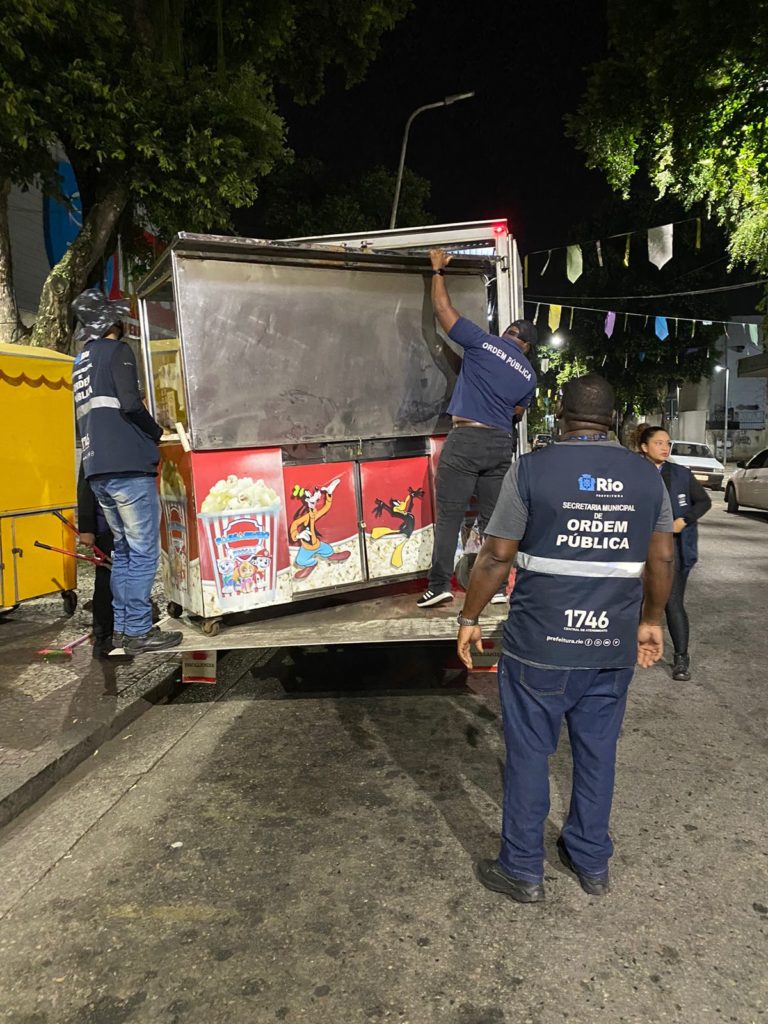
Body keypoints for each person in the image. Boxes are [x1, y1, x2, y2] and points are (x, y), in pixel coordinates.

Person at [455, 374, 674, 903]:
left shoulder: (530, 470)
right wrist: (652, 619)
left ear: (560, 413)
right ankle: (591, 860)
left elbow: (496, 554)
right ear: (615, 418)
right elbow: (662, 557)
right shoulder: (647, 477)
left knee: (530, 754)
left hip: (540, 648)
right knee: (597, 752)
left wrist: (469, 616)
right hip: (609, 646)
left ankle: (523, 870)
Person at [417, 248, 538, 608]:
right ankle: (498, 589)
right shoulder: (529, 375)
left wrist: (437, 272)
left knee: (450, 515)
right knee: (494, 521)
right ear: (527, 347)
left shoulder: (485, 342)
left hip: (467, 438)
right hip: (500, 444)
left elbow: (443, 312)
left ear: (507, 333)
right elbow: (517, 411)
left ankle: (439, 584)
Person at [71, 288, 182, 656]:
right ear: (112, 323)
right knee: (143, 551)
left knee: (123, 553)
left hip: (97, 469)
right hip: (127, 467)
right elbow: (131, 404)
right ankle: (137, 631)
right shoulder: (118, 352)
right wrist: (157, 432)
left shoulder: (81, 361)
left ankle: (121, 628)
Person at [637, 425, 711, 681]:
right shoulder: (632, 472)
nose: (665, 448)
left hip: (671, 548)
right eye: (658, 443)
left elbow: (704, 501)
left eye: (667, 443)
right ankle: (627, 649)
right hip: (636, 545)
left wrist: (684, 520)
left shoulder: (680, 473)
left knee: (671, 600)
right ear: (644, 447)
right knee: (632, 597)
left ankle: (681, 658)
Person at [77, 466, 114, 659]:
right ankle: (103, 637)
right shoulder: (96, 442)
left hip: (127, 528)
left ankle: (119, 631)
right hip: (106, 529)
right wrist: (86, 527)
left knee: (126, 579)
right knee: (106, 580)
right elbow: (84, 486)